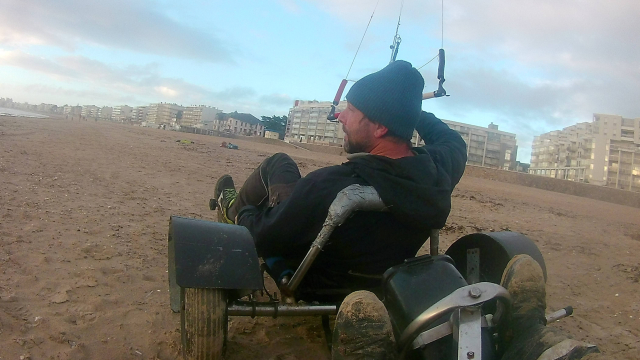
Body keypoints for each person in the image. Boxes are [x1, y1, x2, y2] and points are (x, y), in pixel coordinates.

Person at [213, 60, 467, 293]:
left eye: (352, 109)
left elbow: (261, 238)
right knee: (283, 169)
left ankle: (231, 208)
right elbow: (450, 139)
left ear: (380, 126)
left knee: (278, 163)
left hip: (316, 281)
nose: (340, 116)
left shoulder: (329, 186)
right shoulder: (440, 168)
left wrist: (247, 213)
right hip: (384, 282)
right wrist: (403, 106)